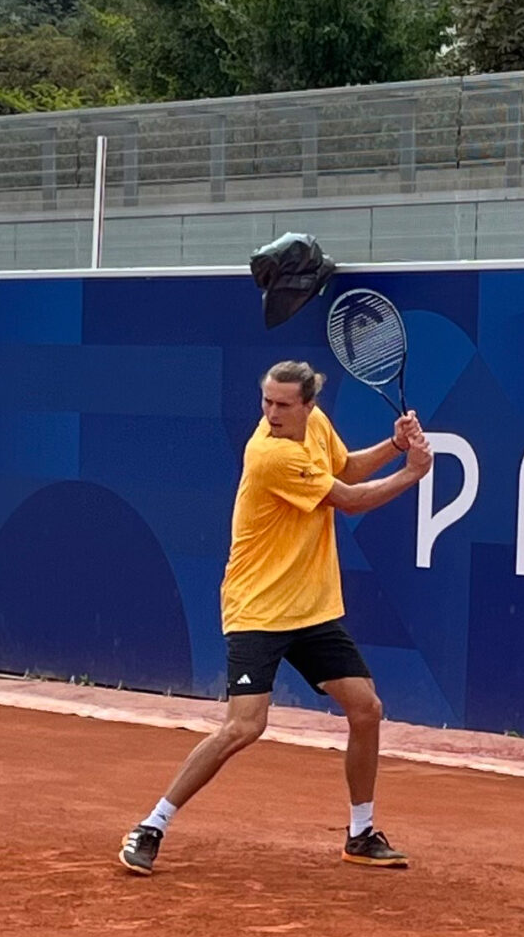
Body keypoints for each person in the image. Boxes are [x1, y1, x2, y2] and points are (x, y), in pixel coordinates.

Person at [118, 360, 433, 877]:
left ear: (309, 405)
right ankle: (151, 825)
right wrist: (412, 473)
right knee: (244, 727)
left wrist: (393, 446)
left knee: (366, 709)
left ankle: (360, 832)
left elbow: (346, 468)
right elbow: (350, 500)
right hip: (258, 609)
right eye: (266, 401)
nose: (270, 413)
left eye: (283, 404)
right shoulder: (268, 452)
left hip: (310, 608)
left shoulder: (316, 429)